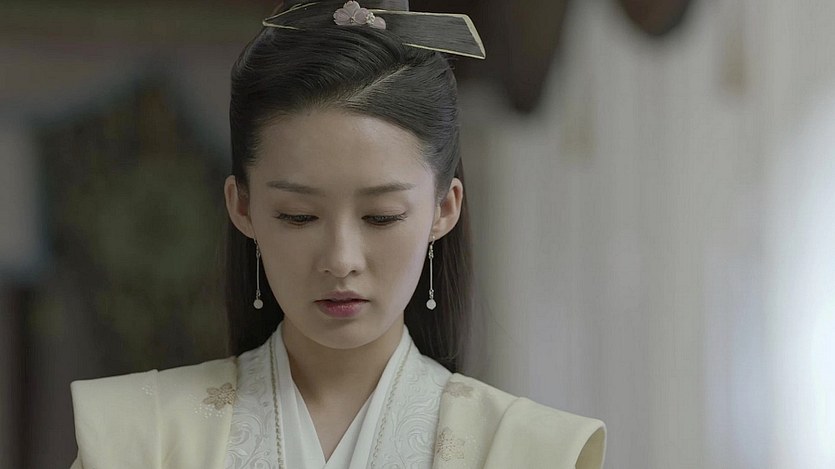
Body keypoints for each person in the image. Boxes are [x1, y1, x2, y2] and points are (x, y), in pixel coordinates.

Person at [69, 1, 606, 468]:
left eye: (381, 216)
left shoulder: (528, 450)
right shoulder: (139, 436)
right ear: (243, 207)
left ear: (444, 209)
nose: (341, 259)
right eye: (298, 216)